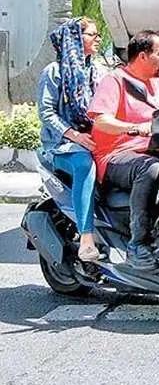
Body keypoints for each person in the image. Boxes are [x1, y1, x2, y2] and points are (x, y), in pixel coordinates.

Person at [86, 30, 159, 270]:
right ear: (143, 56)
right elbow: (101, 121)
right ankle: (138, 245)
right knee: (150, 168)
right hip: (116, 156)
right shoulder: (115, 80)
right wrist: (135, 128)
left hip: (156, 150)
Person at [37, 18, 102, 262]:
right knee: (84, 164)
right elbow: (46, 113)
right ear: (75, 38)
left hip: (93, 138)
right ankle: (86, 238)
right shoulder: (53, 72)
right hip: (60, 145)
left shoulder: (96, 71)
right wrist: (74, 136)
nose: (98, 39)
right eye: (92, 35)